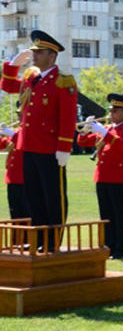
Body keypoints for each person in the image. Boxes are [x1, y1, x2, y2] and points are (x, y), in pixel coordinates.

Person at [0, 30, 76, 250]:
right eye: (34, 52)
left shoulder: (63, 81)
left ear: (52, 56)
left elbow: (68, 116)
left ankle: (53, 241)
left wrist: (63, 147)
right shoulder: (31, 77)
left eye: (39, 52)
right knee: (34, 197)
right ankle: (40, 240)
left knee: (53, 196)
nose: (34, 56)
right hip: (28, 147)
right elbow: (7, 86)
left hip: (50, 149)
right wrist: (12, 65)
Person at [75, 94, 123, 259]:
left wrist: (103, 132)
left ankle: (120, 249)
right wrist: (85, 130)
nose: (111, 113)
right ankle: (108, 246)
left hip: (119, 176)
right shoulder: (109, 129)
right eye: (111, 110)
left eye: (116, 110)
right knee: (105, 215)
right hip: (102, 175)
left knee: (119, 215)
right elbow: (83, 142)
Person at [0, 122, 27, 220]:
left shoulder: (24, 133)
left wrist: (13, 135)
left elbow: (25, 141)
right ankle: (17, 235)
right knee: (15, 212)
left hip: (25, 178)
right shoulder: (16, 133)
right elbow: (2, 144)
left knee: (26, 213)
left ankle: (27, 235)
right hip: (12, 179)